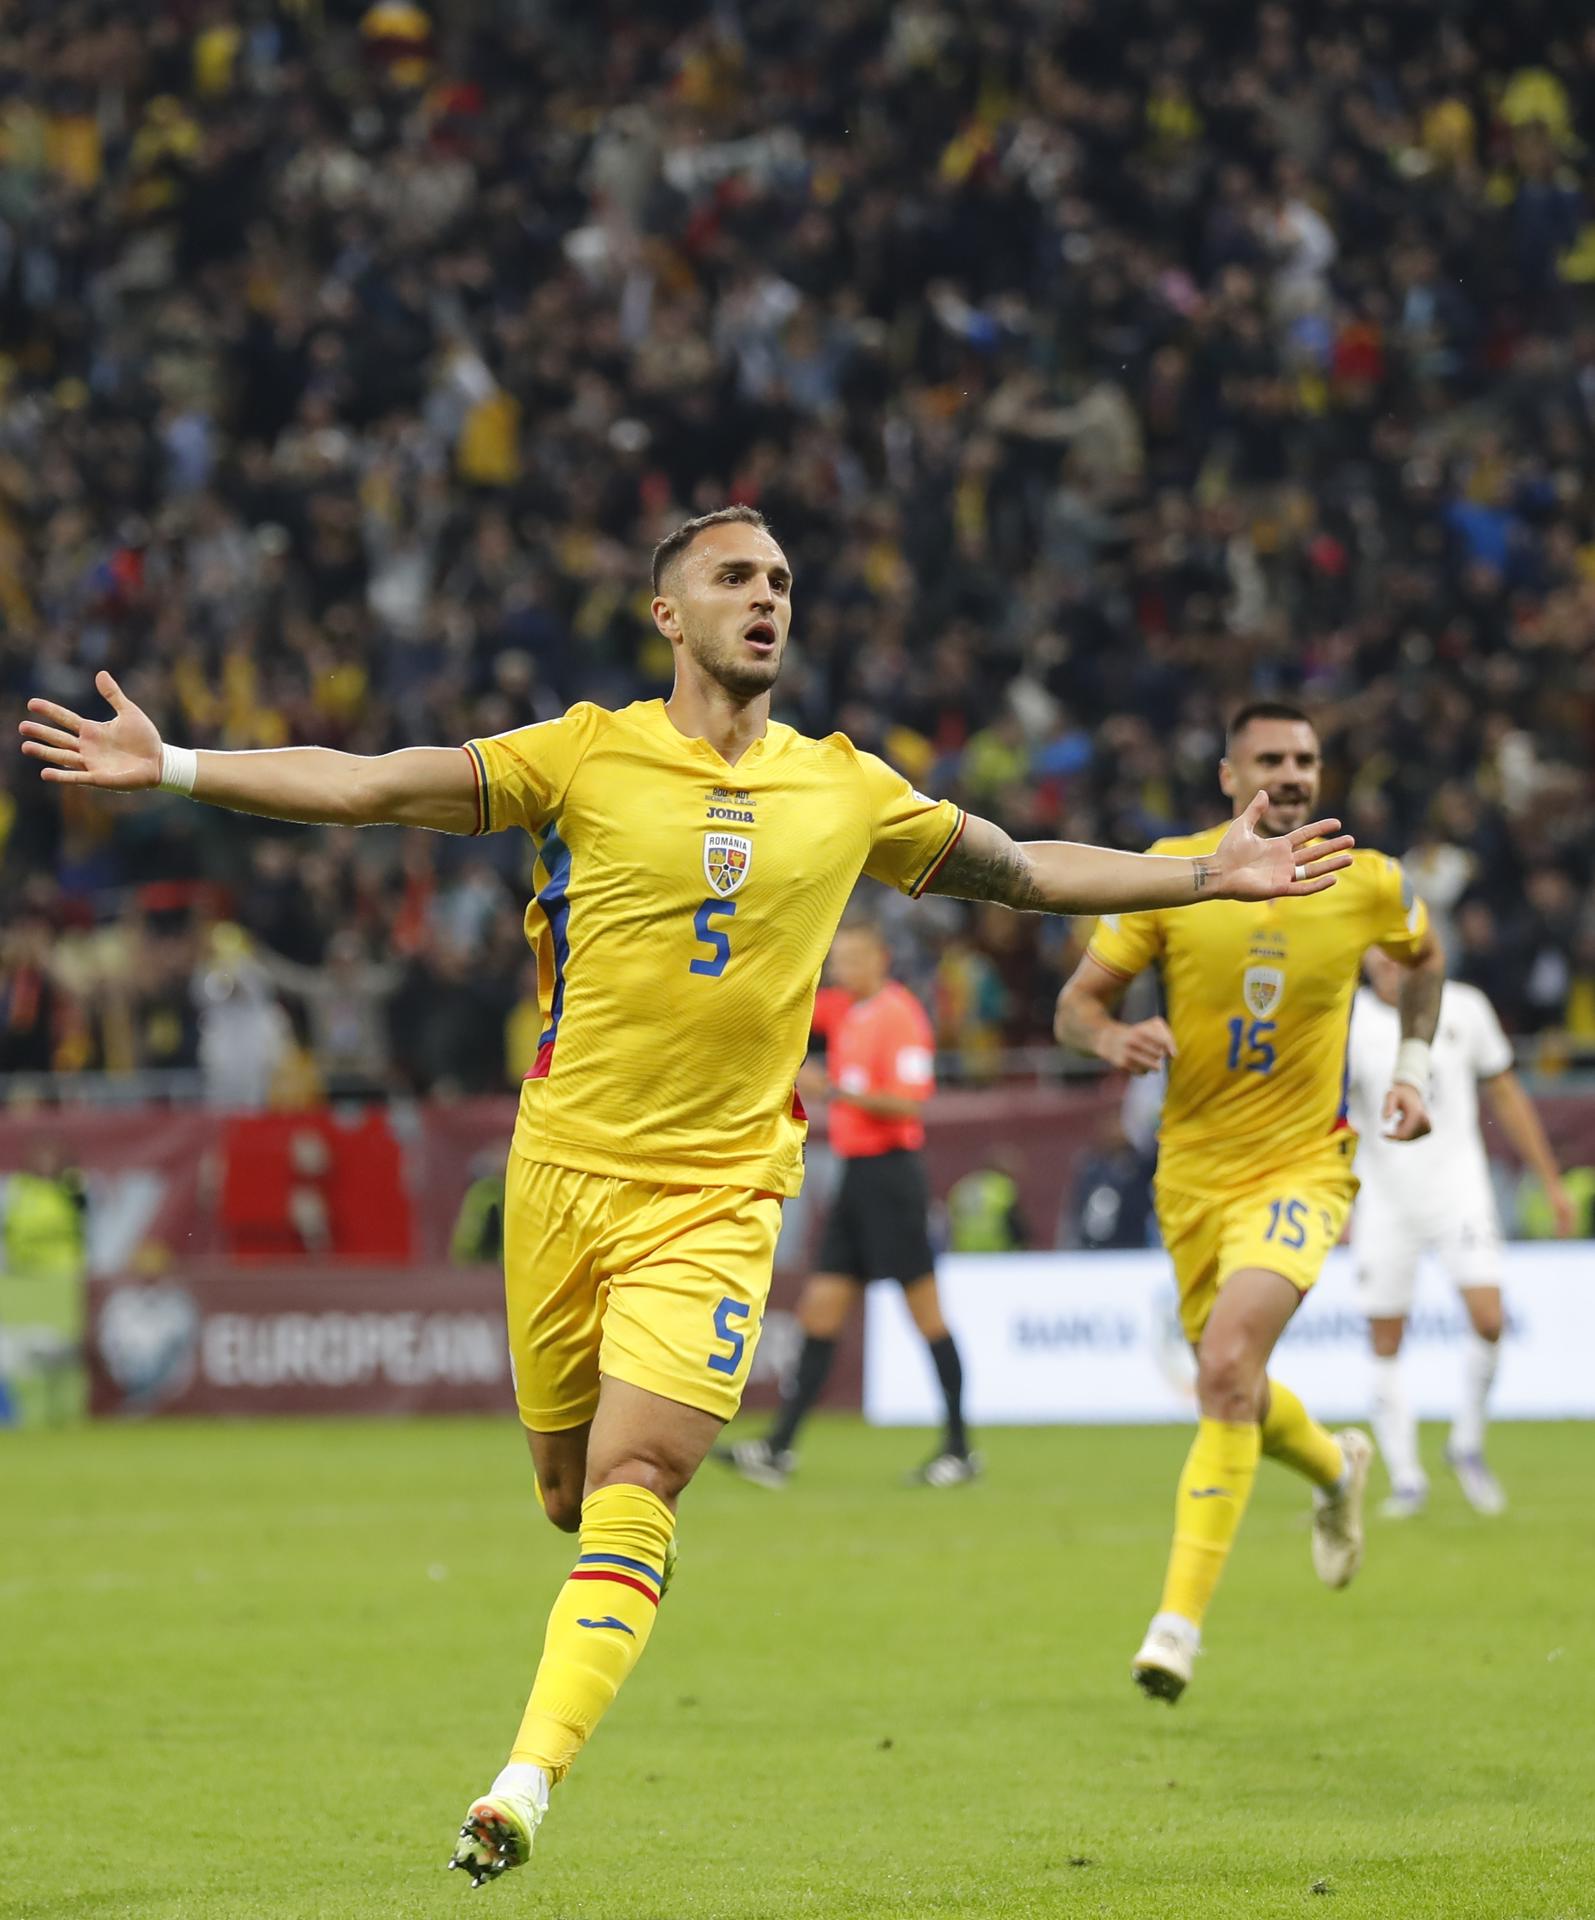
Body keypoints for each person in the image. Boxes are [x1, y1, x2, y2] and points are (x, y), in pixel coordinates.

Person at [21, 508, 1353, 1886]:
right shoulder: (584, 755)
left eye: (780, 580)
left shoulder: (845, 787)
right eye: (734, 578)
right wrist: (174, 764)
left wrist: (1208, 872)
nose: (766, 597)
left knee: (640, 1475)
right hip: (561, 1176)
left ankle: (520, 1783)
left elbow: (1020, 871)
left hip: (720, 1193)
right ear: (669, 614)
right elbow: (367, 783)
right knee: (563, 1493)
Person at [1054, 701, 1444, 1706]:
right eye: (1268, 758)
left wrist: (1410, 1065)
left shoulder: (1367, 883)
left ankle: (1173, 1627)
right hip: (1189, 1176)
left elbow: (1423, 962)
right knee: (1229, 1383)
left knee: (1225, 1365)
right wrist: (1110, 1042)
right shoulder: (1172, 874)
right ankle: (1334, 1466)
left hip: (1302, 1168)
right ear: (1228, 778)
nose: (1290, 772)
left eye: (1305, 758)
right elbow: (1074, 1006)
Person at [718, 919, 976, 1489]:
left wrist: (837, 1088)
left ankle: (959, 1450)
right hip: (857, 1177)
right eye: (840, 959)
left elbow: (909, 1103)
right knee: (819, 1309)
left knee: (926, 1313)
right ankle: (779, 1448)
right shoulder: (851, 1012)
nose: (843, 968)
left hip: (891, 1177)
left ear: (882, 958)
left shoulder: (899, 1015)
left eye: (855, 958)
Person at [1345, 949, 1575, 1518]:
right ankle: (1406, 1478)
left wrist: (1551, 1182)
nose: (1391, 964)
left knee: (1489, 1319)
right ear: (1367, 957)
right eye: (1380, 952)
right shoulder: (1346, 1021)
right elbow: (1330, 1114)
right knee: (1385, 1338)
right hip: (1384, 1197)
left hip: (1459, 1193)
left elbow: (1506, 1094)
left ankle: (1466, 1444)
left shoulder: (1465, 1008)